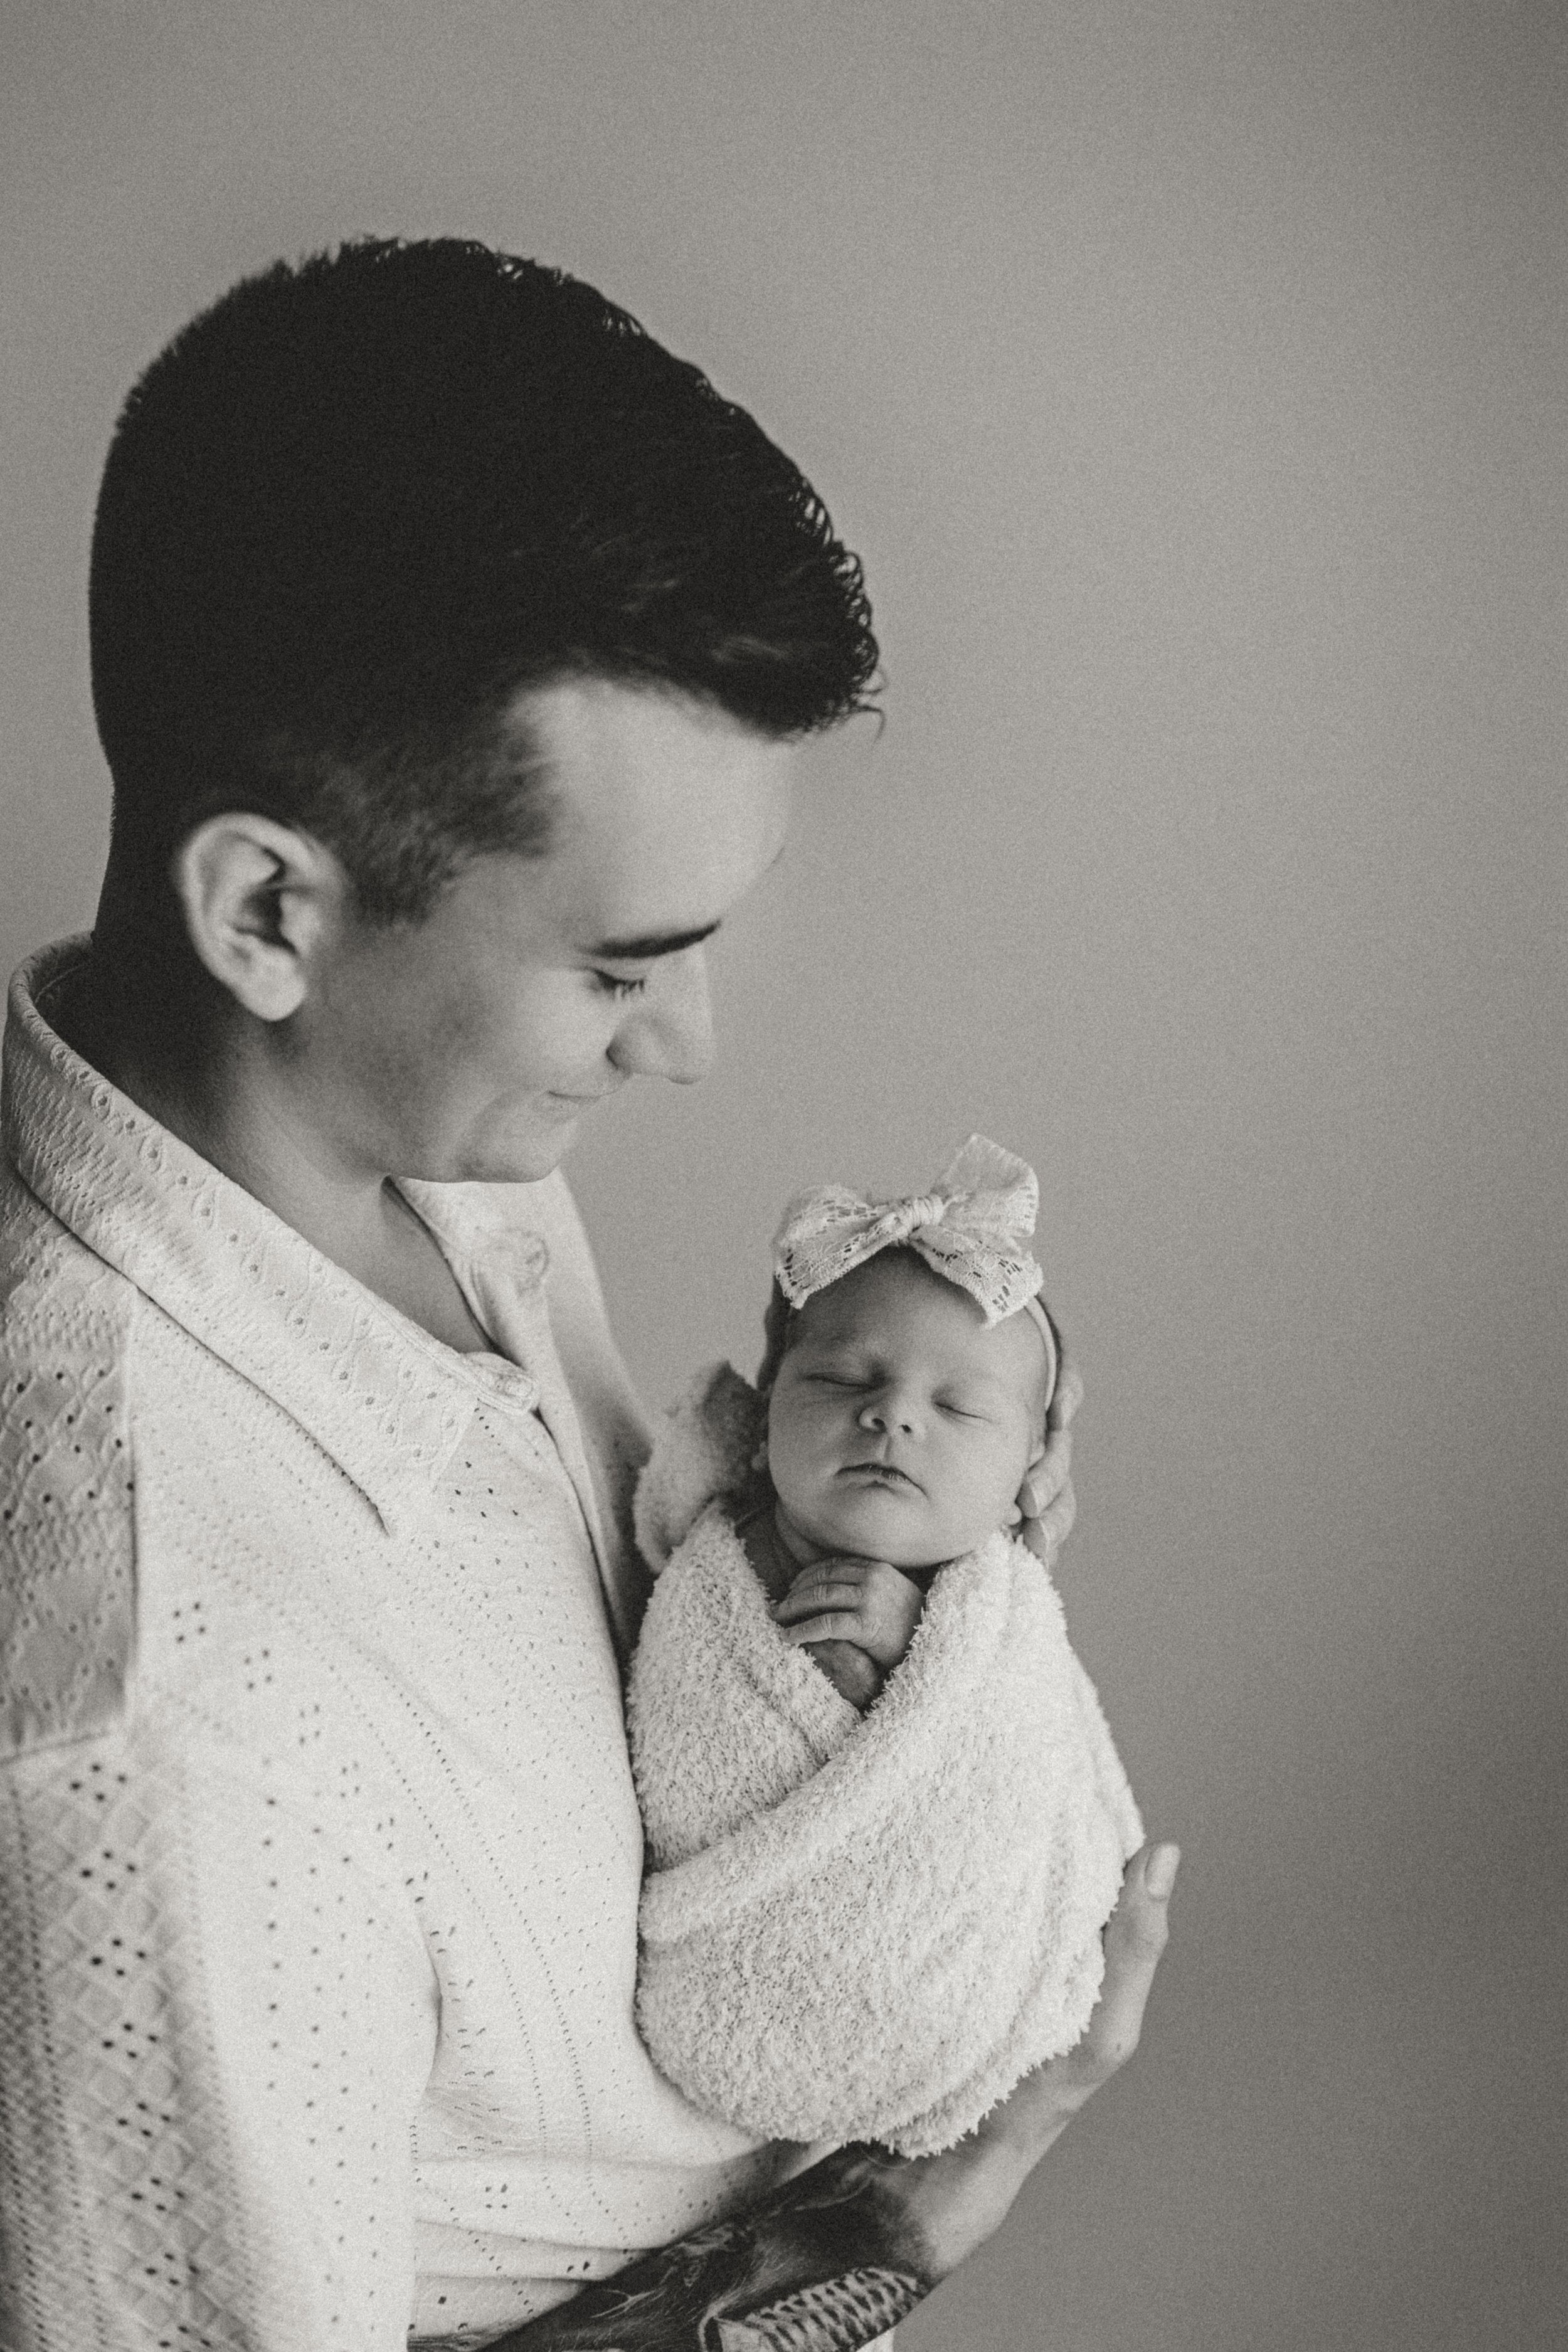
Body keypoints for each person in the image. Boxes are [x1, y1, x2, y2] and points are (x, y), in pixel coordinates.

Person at [0, 236, 1177, 2351]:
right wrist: (876, 2243)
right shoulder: (157, 1730)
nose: (690, 1048)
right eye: (622, 966)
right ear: (271, 908)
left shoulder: (416, 1153)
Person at [625, 1136, 1143, 2161]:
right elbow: (680, 1747)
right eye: (843, 1376)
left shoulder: (999, 1624)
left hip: (932, 1993)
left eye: (957, 1407)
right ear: (769, 1394)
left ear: (1029, 1474)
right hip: (730, 1975)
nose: (893, 1413)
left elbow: (1016, 1768)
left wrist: (925, 1659)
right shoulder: (705, 1559)